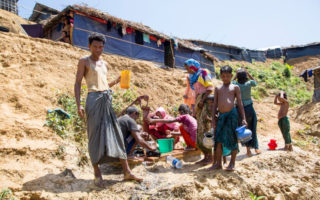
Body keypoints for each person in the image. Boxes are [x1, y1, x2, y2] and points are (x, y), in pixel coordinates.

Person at [74, 33, 142, 187]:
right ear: (89, 46)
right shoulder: (84, 61)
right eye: (95, 46)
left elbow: (104, 85)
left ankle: (127, 172)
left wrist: (116, 81)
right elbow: (77, 83)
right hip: (92, 100)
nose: (98, 49)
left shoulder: (104, 64)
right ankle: (97, 174)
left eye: (100, 47)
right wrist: (78, 104)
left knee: (116, 134)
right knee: (94, 136)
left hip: (106, 100)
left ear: (103, 47)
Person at [210, 65, 247, 171]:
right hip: (221, 116)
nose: (225, 78)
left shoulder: (235, 88)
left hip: (232, 115)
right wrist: (213, 119)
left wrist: (243, 118)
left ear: (231, 76)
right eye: (223, 76)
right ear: (220, 76)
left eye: (227, 76)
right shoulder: (217, 88)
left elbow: (240, 104)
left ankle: (232, 163)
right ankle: (218, 163)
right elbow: (215, 104)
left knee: (233, 139)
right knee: (218, 140)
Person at [184, 59, 214, 165]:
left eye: (188, 68)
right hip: (199, 103)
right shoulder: (193, 77)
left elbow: (210, 88)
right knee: (200, 130)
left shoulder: (203, 73)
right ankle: (206, 156)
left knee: (206, 128)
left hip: (205, 103)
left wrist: (202, 100)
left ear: (193, 66)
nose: (187, 70)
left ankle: (210, 157)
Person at [233, 68, 261, 157]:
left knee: (243, 129)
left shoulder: (236, 85)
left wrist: (235, 74)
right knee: (253, 127)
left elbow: (231, 83)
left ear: (238, 77)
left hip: (239, 109)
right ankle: (256, 148)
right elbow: (255, 82)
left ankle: (248, 150)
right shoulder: (249, 84)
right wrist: (248, 73)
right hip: (249, 108)